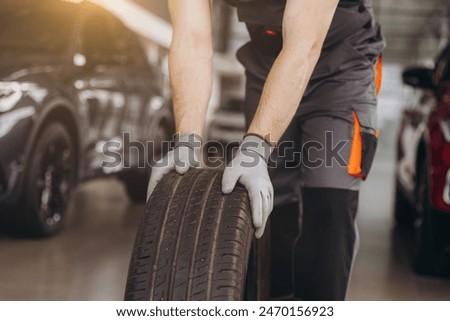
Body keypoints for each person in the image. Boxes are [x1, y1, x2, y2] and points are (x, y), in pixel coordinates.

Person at [147, 0, 384, 300]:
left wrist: (256, 148)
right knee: (265, 201)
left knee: (330, 202)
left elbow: (304, 47)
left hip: (340, 64)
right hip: (267, 61)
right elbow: (192, 39)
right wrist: (187, 141)